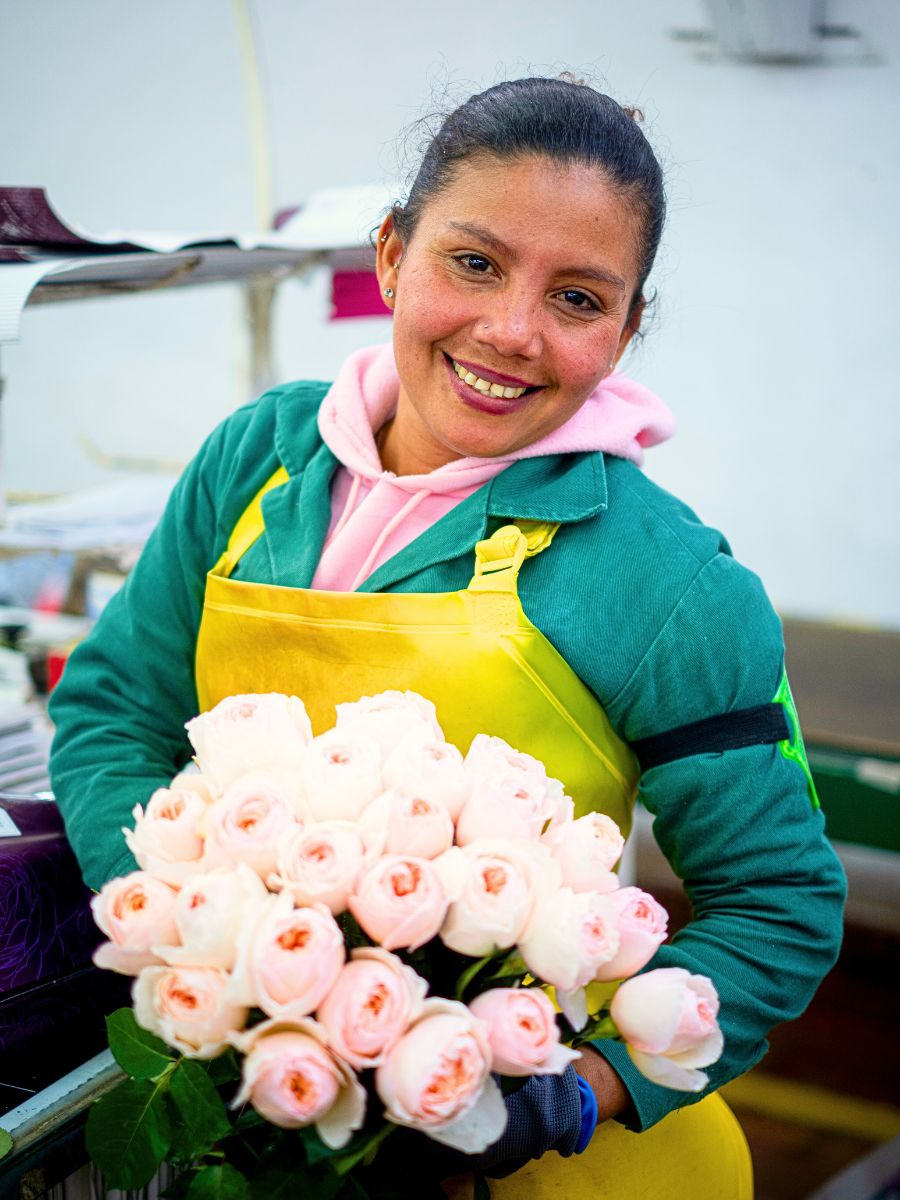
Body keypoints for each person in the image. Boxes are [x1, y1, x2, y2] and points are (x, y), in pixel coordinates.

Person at [49, 76, 846, 1190]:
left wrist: (574, 1093)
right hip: (262, 1108)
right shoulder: (256, 462)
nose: (511, 332)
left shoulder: (666, 578)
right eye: (473, 262)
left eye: (578, 298)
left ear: (625, 331)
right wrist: (192, 947)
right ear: (389, 255)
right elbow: (112, 711)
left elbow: (781, 901)